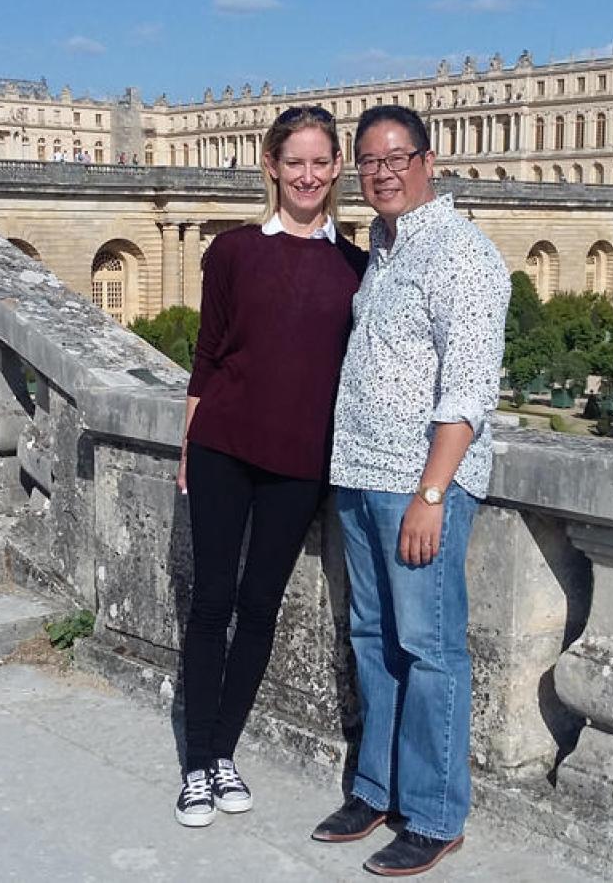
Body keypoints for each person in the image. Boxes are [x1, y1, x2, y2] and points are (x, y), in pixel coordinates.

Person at [311, 105, 510, 875]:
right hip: (358, 475)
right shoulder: (383, 250)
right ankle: (377, 788)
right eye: (369, 161)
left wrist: (433, 492)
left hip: (417, 484)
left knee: (429, 651)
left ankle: (433, 814)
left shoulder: (463, 256)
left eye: (397, 157)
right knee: (372, 638)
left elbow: (466, 392)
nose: (383, 172)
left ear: (429, 160)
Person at [174, 105, 366, 828]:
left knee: (259, 610)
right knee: (212, 602)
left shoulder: (357, 264)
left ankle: (224, 754)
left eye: (320, 162)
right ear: (271, 167)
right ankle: (196, 765)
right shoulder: (231, 252)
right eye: (295, 163)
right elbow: (207, 354)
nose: (308, 175)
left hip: (301, 460)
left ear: (335, 168)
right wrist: (189, 443)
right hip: (224, 444)